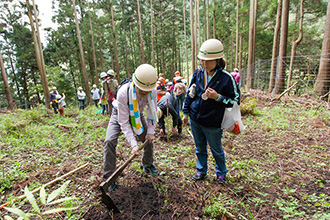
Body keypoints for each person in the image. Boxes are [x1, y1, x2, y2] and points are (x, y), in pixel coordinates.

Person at [182, 39, 240, 184]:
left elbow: (235, 101)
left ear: (218, 60)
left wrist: (218, 97)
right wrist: (185, 112)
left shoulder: (226, 78)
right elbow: (191, 92)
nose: (204, 64)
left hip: (213, 122)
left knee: (216, 149)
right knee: (199, 148)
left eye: (208, 61)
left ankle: (221, 173)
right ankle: (201, 171)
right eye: (202, 60)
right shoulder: (198, 73)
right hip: (196, 119)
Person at [103, 64, 159, 190]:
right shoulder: (123, 93)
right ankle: (109, 177)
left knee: (148, 139)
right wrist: (134, 145)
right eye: (141, 91)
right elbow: (124, 123)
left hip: (137, 113)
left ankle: (148, 165)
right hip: (119, 113)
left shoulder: (152, 90)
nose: (144, 94)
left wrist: (150, 131)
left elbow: (153, 112)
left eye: (147, 92)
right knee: (109, 141)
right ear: (135, 84)